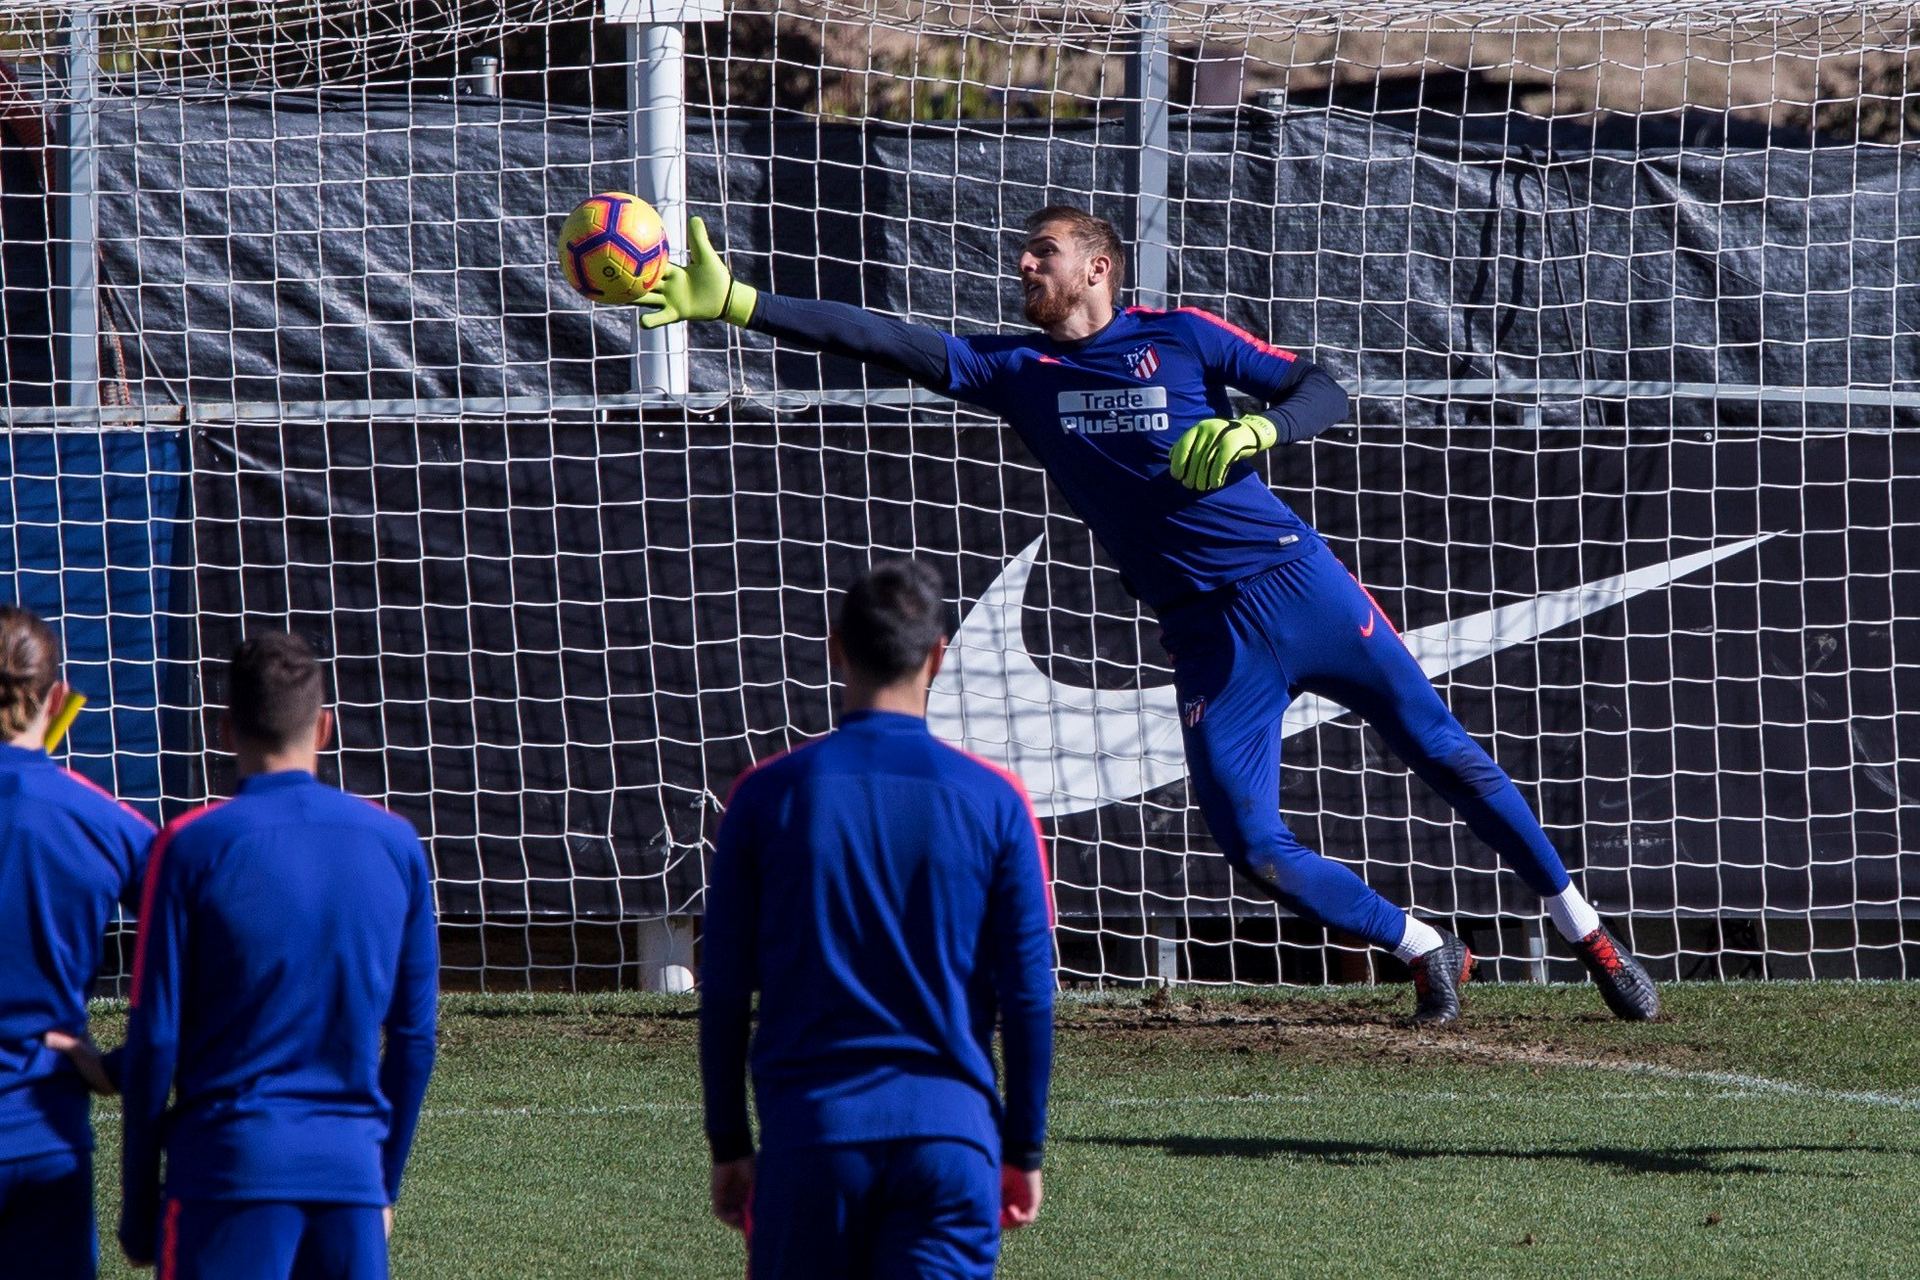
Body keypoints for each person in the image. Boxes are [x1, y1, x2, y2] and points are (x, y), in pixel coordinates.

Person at [640, 207, 1659, 1025]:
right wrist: (736, 302)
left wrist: (1260, 429)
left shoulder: (1178, 336)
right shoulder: (1019, 372)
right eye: (1025, 253)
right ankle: (1423, 945)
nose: (1023, 264)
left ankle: (1587, 931)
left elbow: (1322, 386)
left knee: (1445, 754)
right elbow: (888, 342)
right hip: (1211, 638)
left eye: (1043, 251)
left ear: (1097, 267)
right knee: (1254, 847)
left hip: (1301, 588)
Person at [700, 560, 1055, 1279]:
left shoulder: (765, 795)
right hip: (950, 1142)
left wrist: (729, 1142)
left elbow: (726, 991)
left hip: (813, 1138)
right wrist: (1023, 1149)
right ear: (938, 656)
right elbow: (1028, 998)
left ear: (836, 649)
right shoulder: (997, 800)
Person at [119, 631, 439, 1278]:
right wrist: (381, 1182)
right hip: (349, 1180)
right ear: (324, 727)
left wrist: (139, 1203)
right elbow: (414, 1038)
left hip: (225, 1174)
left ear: (224, 728)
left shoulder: (188, 847)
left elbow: (155, 1039)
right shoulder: (396, 843)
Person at [0, 608, 156, 1277]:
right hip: (46, 1134)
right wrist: (121, 1065)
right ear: (57, 697)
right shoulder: (101, 822)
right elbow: (210, 948)